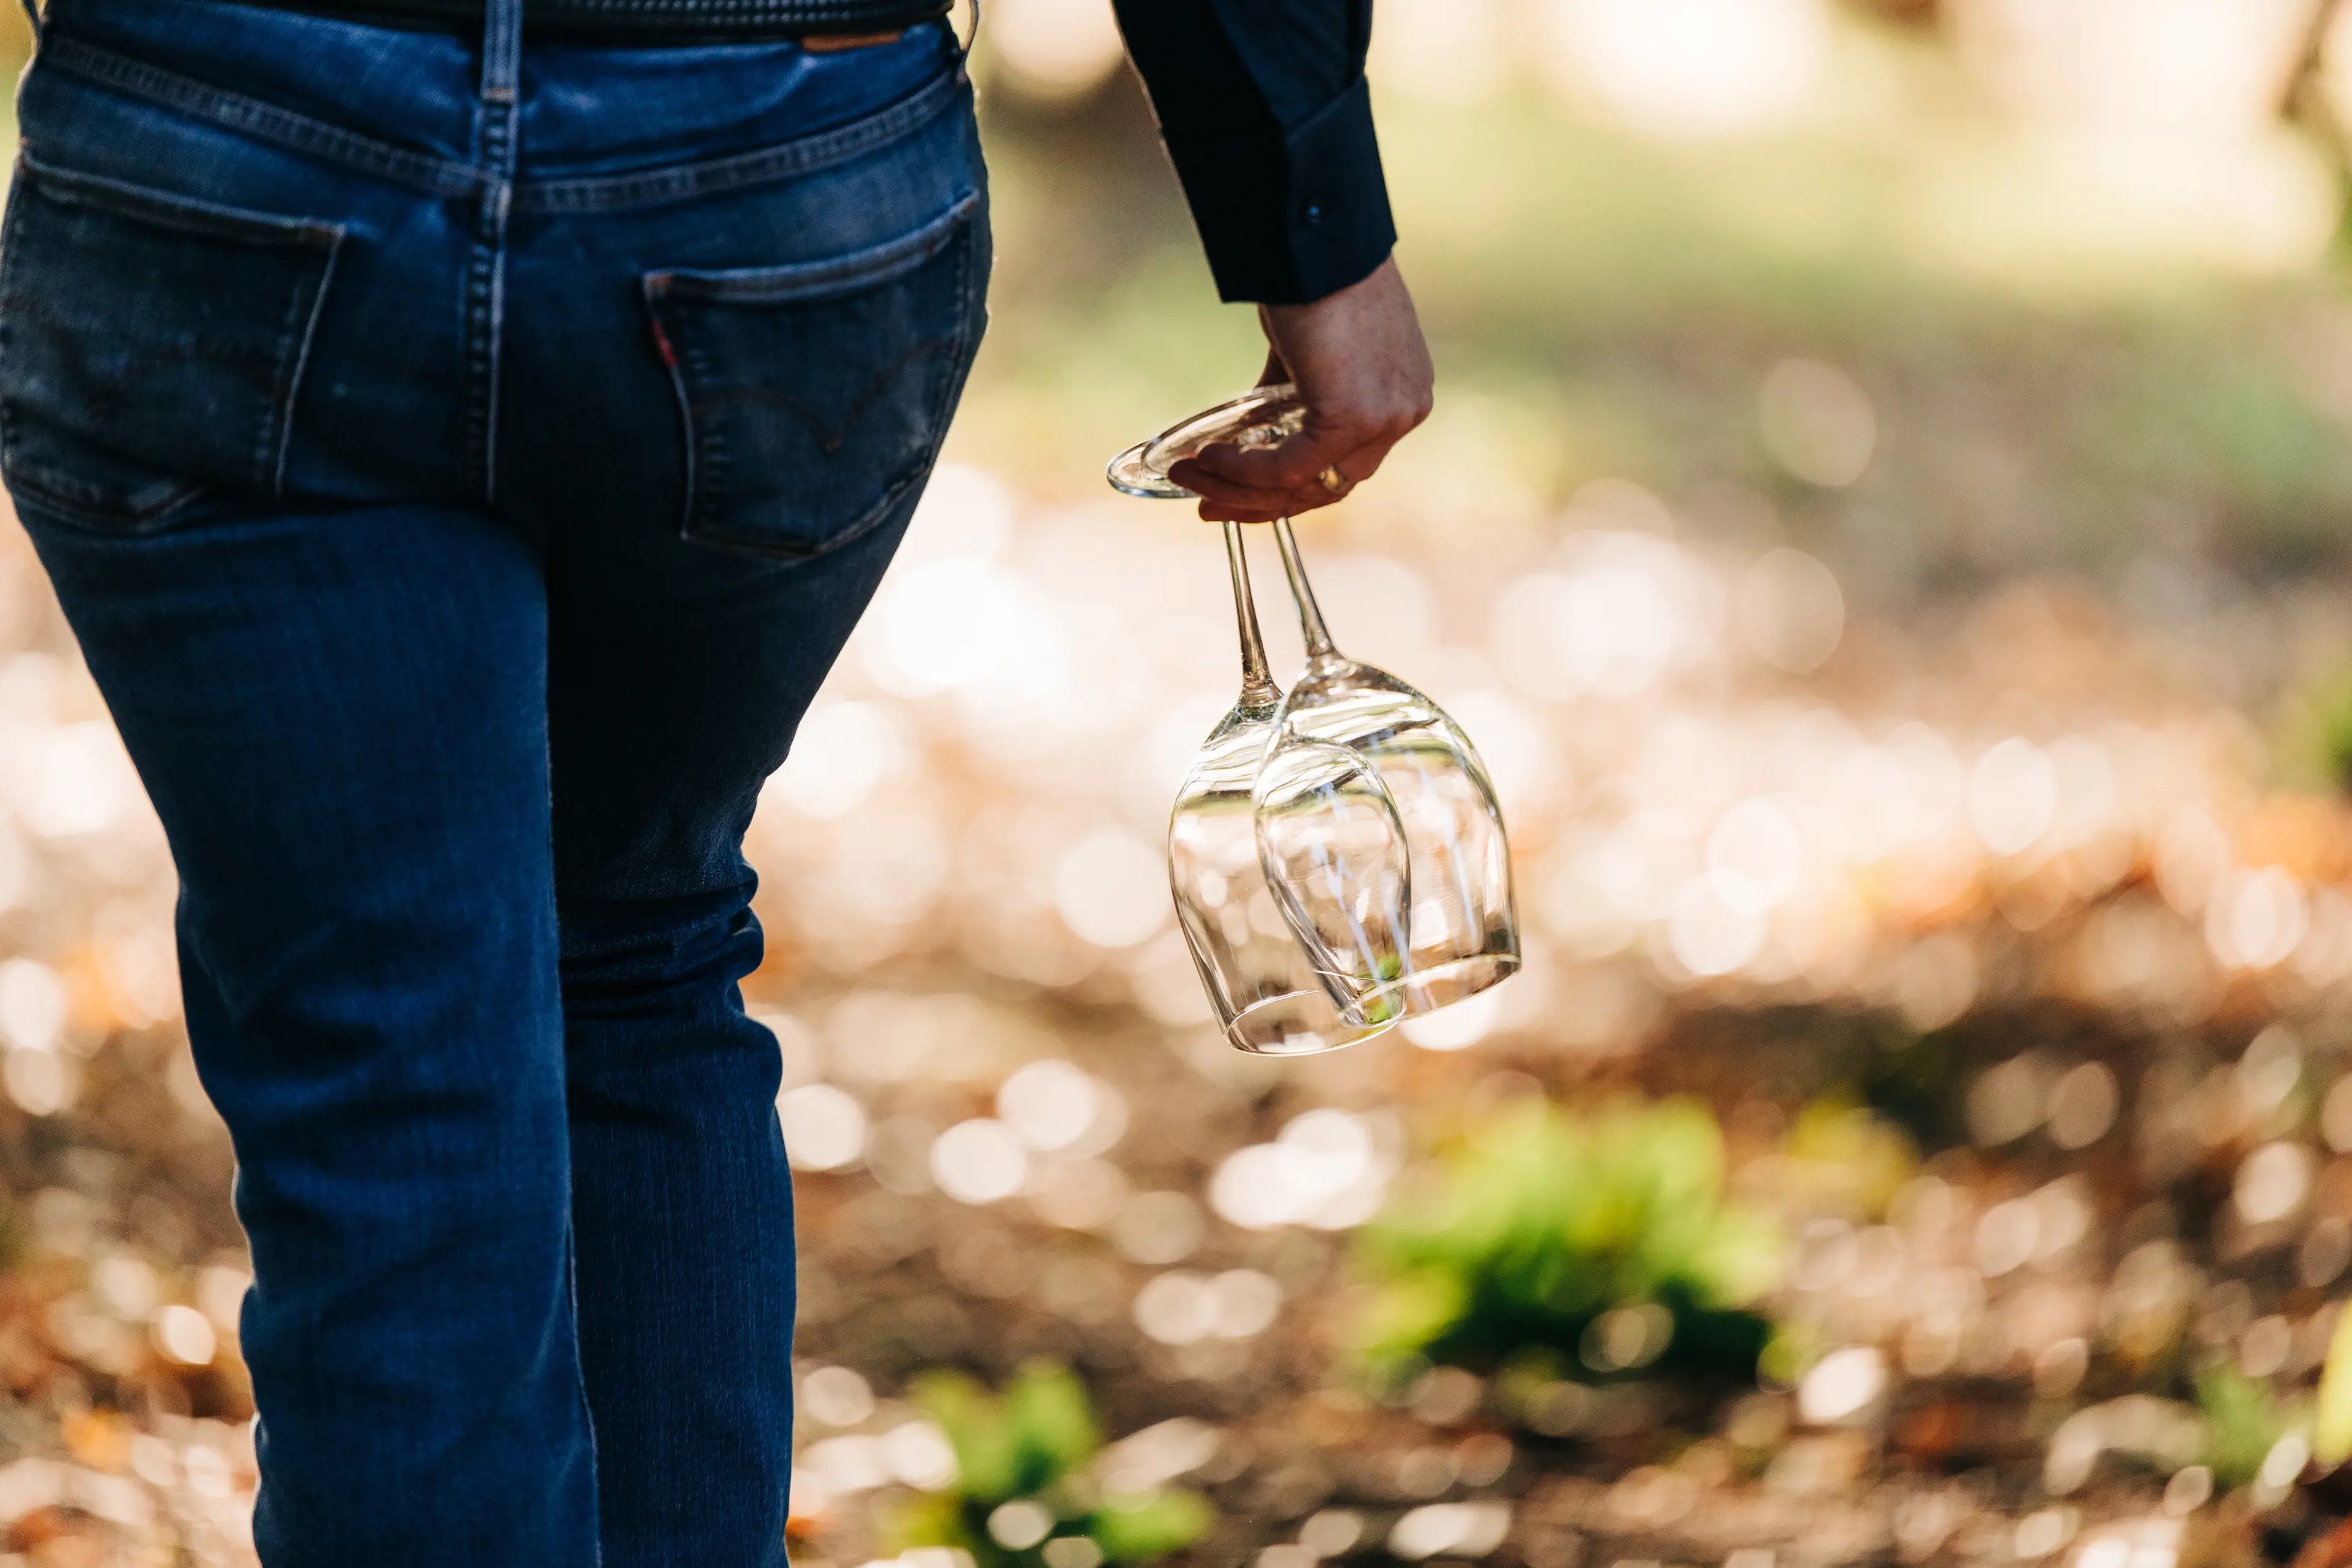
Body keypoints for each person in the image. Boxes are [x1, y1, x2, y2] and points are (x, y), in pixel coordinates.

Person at [0, 0, 1430, 1558]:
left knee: (389, 1075)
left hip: (228, 143)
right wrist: (1313, 226)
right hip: (768, 154)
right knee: (634, 946)